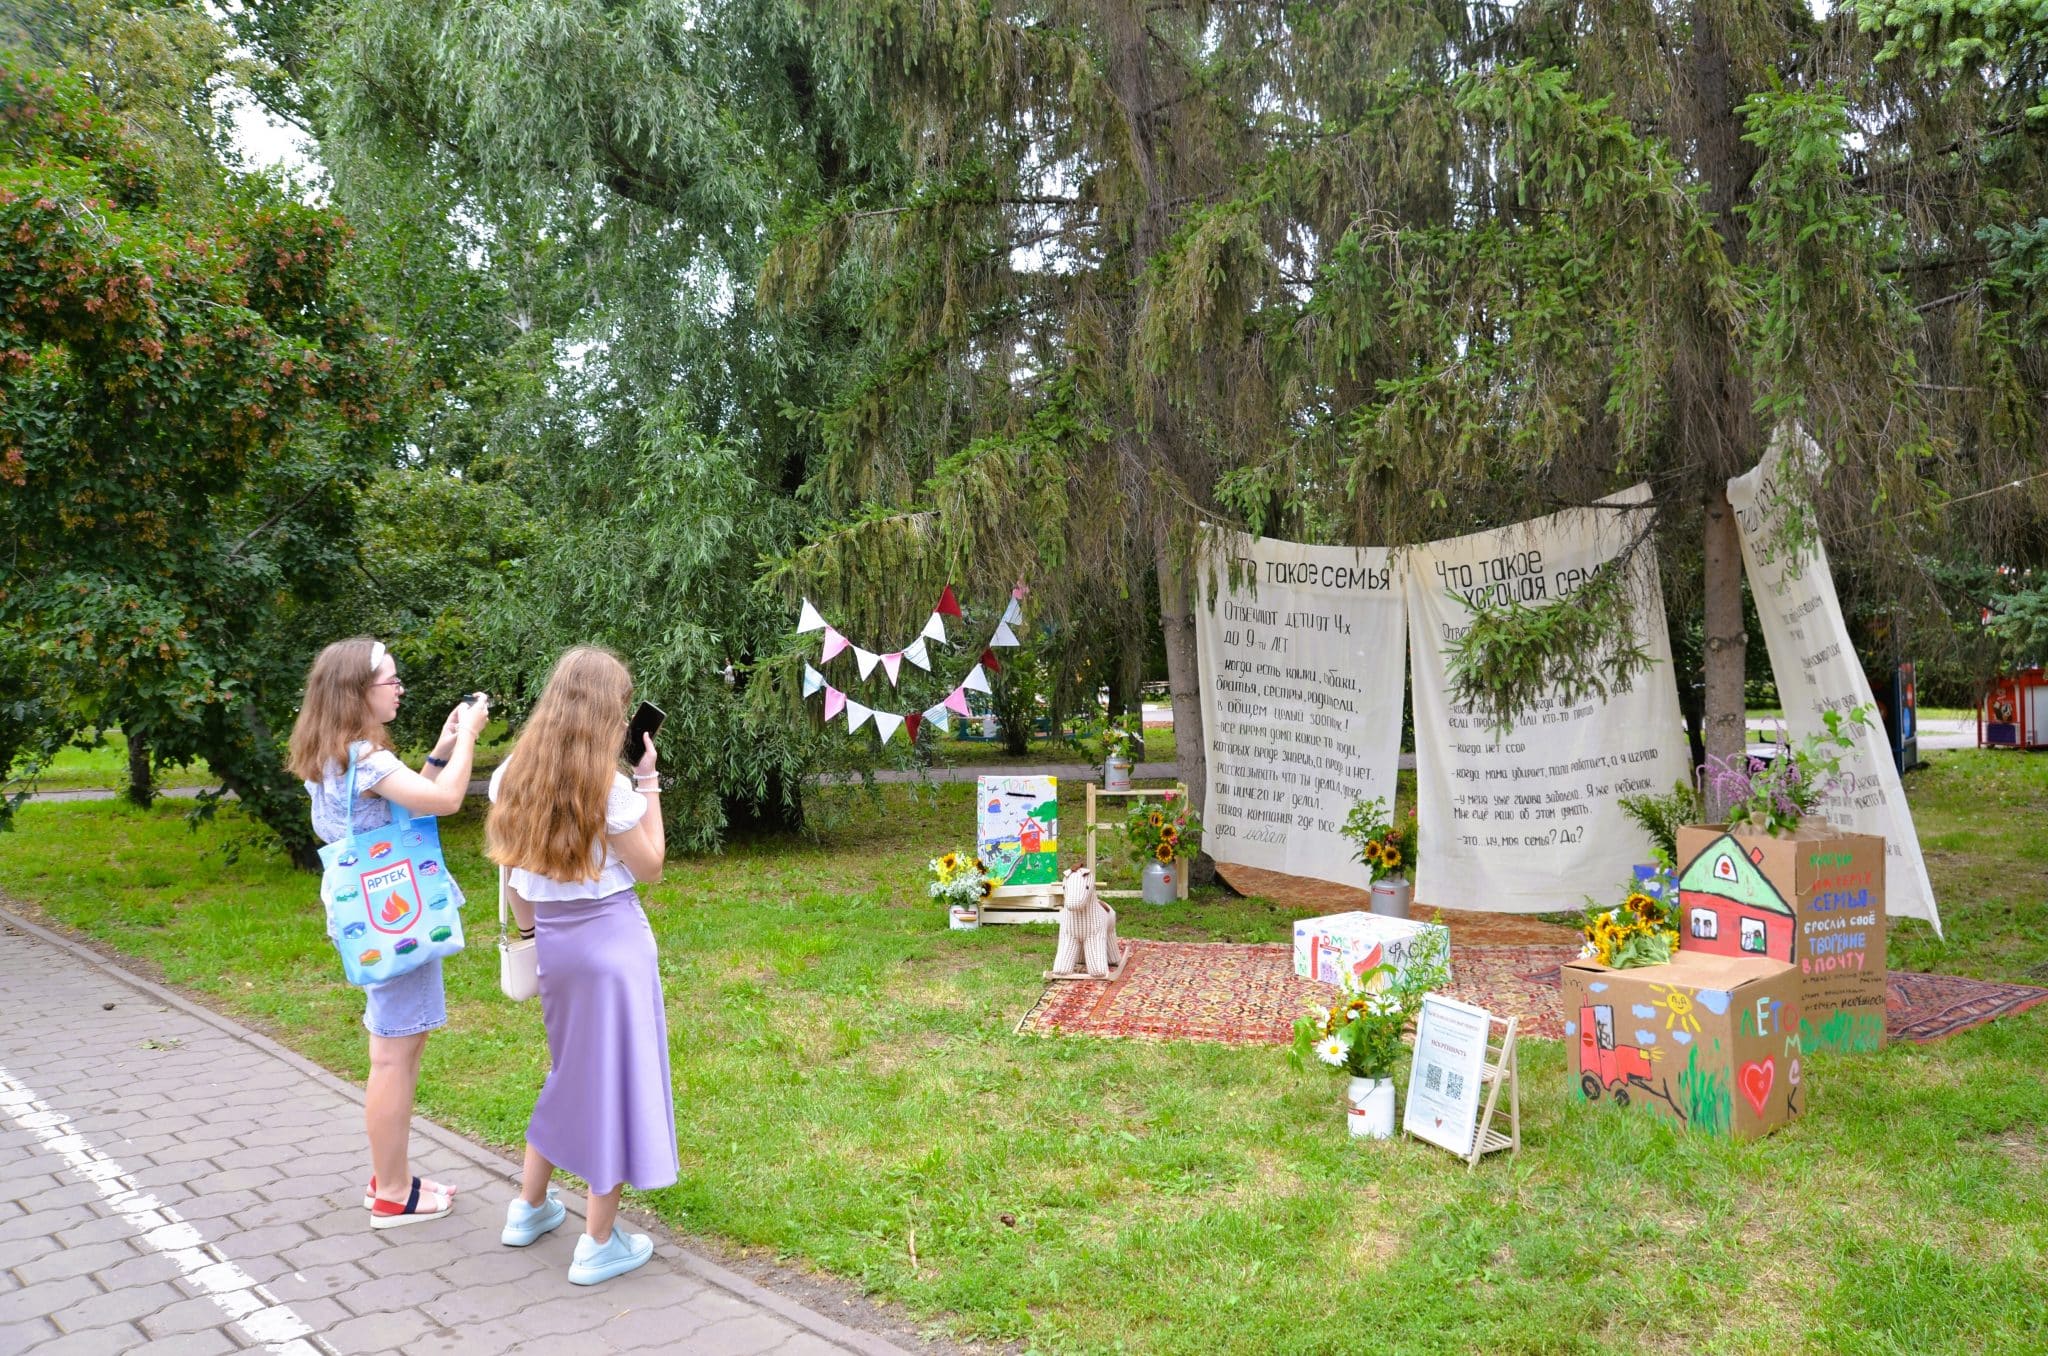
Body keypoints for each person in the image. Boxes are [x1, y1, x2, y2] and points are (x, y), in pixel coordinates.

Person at [485, 645, 674, 1286]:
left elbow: (510, 872)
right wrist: (649, 779)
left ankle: (529, 1206)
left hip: (554, 947)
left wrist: (536, 935)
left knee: (570, 1073)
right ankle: (598, 1242)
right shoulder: (608, 786)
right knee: (614, 1083)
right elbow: (650, 865)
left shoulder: (513, 771)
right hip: (613, 945)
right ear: (605, 713)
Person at [288, 637, 490, 1229]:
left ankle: (391, 1175)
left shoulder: (333, 756)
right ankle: (394, 1194)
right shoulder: (368, 760)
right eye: (391, 682)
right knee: (393, 1056)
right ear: (357, 692)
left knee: (395, 1047)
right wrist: (471, 735)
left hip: (365, 914)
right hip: (396, 918)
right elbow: (449, 800)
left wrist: (439, 749)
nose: (399, 689)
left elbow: (401, 807)